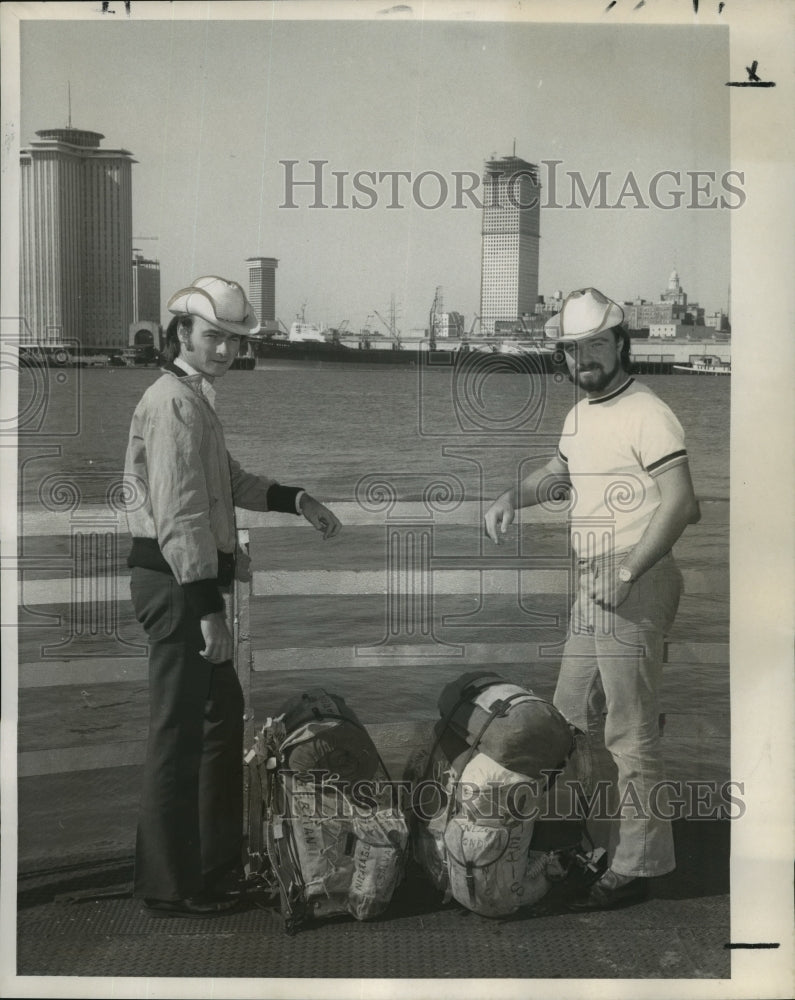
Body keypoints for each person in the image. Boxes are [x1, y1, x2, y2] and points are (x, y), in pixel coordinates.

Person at [123, 275, 342, 918]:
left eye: (234, 340)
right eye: (212, 335)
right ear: (181, 334)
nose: (224, 349)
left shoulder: (194, 401)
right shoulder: (170, 404)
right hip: (178, 587)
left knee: (220, 724)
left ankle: (212, 869)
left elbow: (227, 481)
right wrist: (207, 612)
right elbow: (182, 515)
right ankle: (170, 884)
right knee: (179, 733)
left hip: (191, 584)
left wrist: (295, 498)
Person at [484, 287, 700, 911]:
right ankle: (604, 843)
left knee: (630, 731)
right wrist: (508, 498)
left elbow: (681, 502)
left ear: (620, 344)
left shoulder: (648, 412)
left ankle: (638, 865)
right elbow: (557, 474)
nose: (584, 359)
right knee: (571, 717)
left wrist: (629, 570)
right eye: (572, 350)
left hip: (636, 577)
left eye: (595, 346)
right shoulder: (581, 414)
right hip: (595, 581)